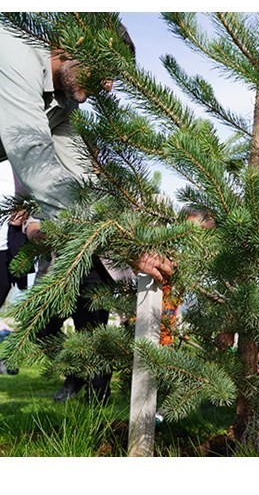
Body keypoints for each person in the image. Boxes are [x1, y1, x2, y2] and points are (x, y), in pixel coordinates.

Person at [0, 24, 173, 402]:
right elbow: (35, 161)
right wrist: (129, 245)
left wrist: (139, 234)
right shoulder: (12, 53)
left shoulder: (63, 103)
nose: (109, 86)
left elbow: (78, 179)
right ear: (77, 42)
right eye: (106, 70)